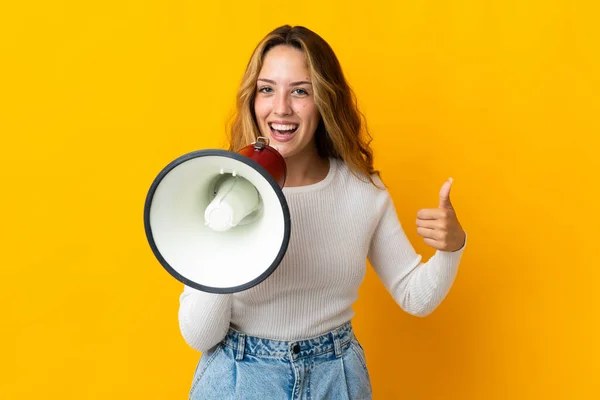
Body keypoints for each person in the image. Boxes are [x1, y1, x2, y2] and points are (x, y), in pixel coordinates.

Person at [178, 25, 467, 400]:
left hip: (337, 378)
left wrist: (453, 247)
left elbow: (416, 296)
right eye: (267, 89)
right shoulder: (220, 187)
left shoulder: (362, 191)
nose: (280, 107)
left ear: (325, 100)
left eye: (300, 91)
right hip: (239, 378)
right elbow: (200, 335)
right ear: (252, 98)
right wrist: (224, 236)